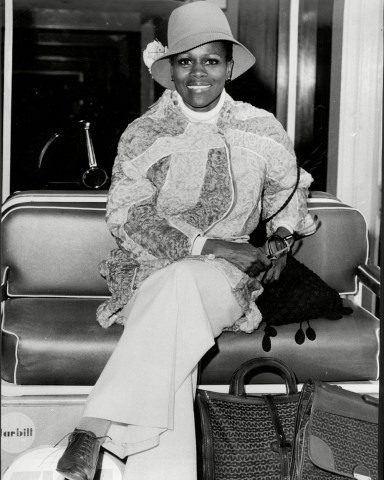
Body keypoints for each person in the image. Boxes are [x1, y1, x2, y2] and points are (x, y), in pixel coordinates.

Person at [56, 2, 316, 480]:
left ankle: (93, 429)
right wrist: (210, 246)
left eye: (211, 61)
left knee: (183, 291)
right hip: (147, 274)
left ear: (229, 67)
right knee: (176, 315)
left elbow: (290, 192)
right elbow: (127, 216)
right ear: (170, 70)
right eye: (185, 61)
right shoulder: (143, 133)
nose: (198, 73)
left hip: (228, 281)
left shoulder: (262, 128)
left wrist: (280, 238)